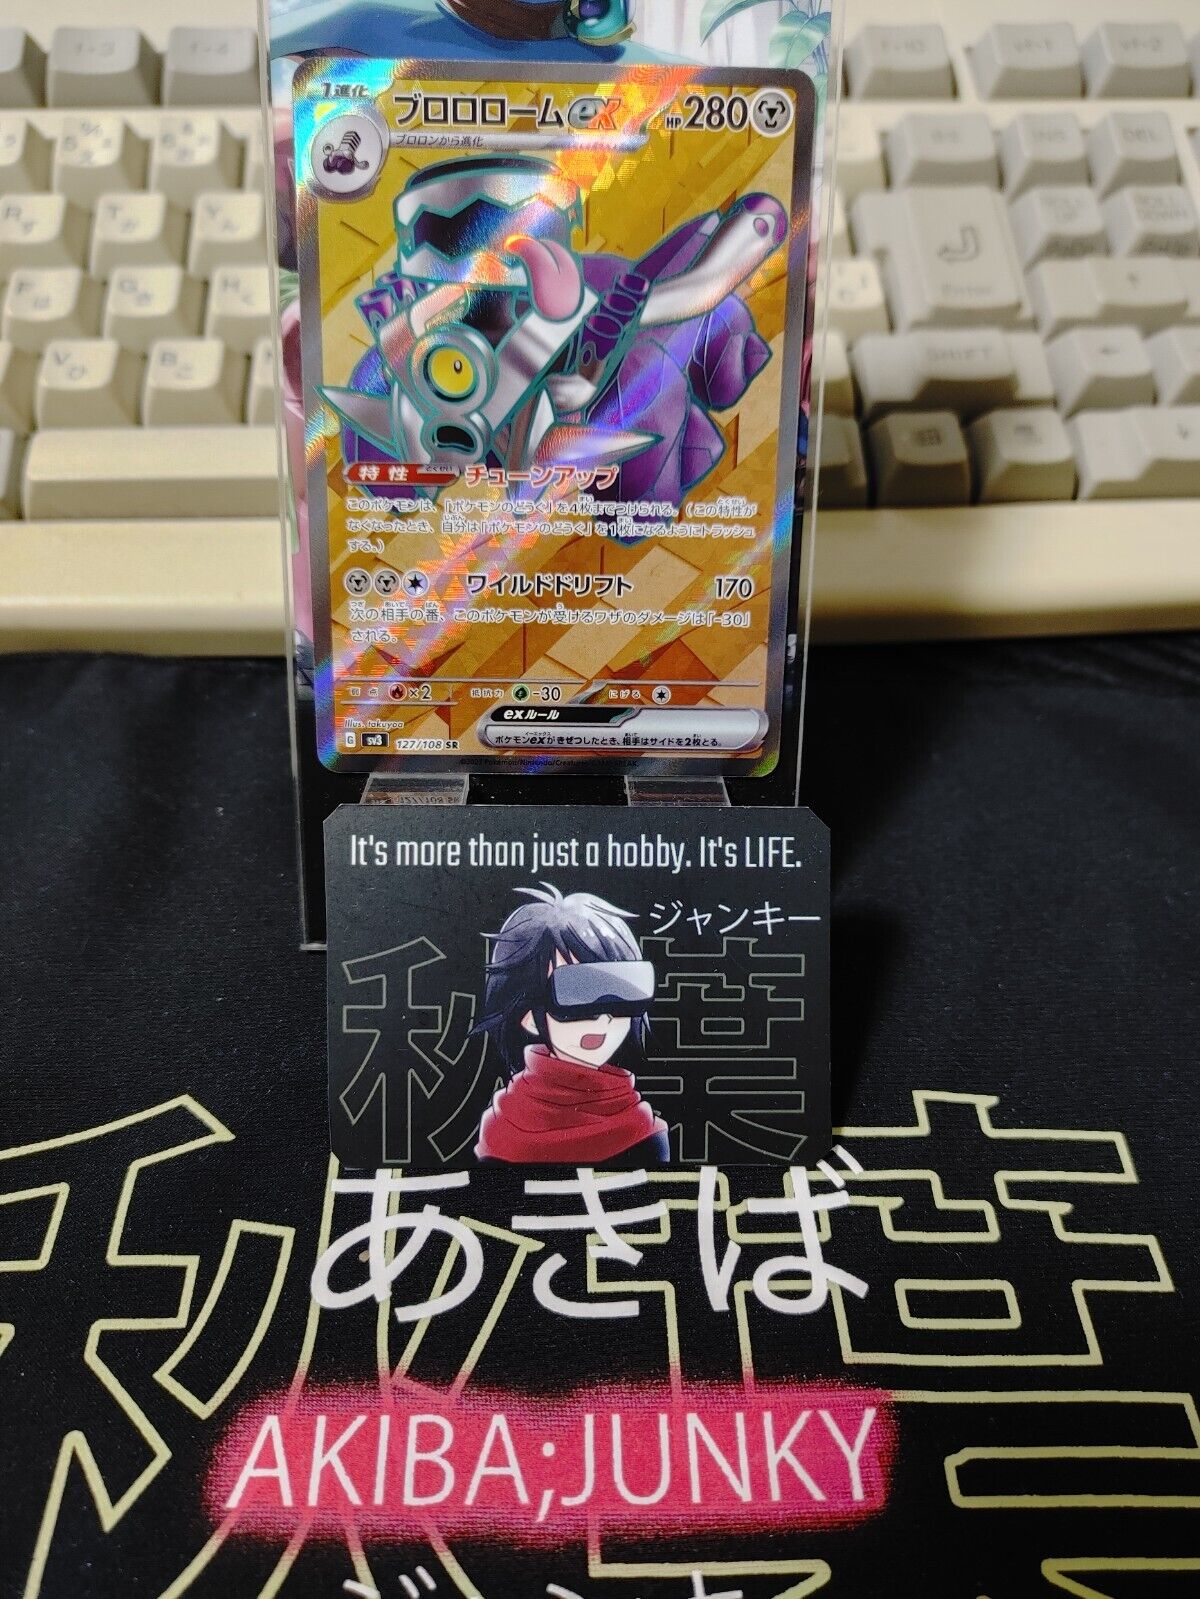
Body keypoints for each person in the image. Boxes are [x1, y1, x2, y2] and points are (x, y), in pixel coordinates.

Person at [474, 884, 669, 1165]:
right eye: (577, 991)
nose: (603, 1015)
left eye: (620, 989)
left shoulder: (643, 1130)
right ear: (528, 1015)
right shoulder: (502, 1128)